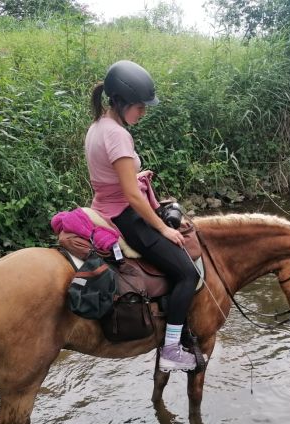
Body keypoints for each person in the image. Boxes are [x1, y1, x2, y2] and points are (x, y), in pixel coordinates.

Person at [85, 60, 199, 372]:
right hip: (124, 215)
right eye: (139, 106)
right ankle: (173, 349)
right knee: (188, 274)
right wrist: (163, 228)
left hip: (103, 207)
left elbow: (112, 180)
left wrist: (135, 175)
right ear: (120, 102)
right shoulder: (119, 136)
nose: (143, 113)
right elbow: (132, 197)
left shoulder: (97, 127)